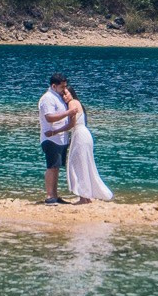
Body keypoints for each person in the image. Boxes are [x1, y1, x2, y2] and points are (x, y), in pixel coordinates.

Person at [61, 83, 114, 202]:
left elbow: (72, 124)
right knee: (84, 164)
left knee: (78, 165)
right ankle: (86, 196)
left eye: (66, 93)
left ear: (71, 93)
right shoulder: (78, 103)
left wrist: (56, 131)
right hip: (83, 134)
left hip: (80, 135)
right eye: (62, 95)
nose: (64, 97)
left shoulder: (72, 103)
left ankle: (84, 197)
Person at [38, 73, 74, 203]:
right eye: (62, 87)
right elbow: (50, 117)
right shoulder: (48, 98)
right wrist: (68, 113)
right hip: (51, 138)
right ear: (54, 86)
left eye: (65, 87)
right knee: (51, 166)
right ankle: (49, 195)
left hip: (60, 138)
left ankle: (55, 194)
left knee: (56, 167)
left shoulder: (58, 97)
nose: (64, 89)